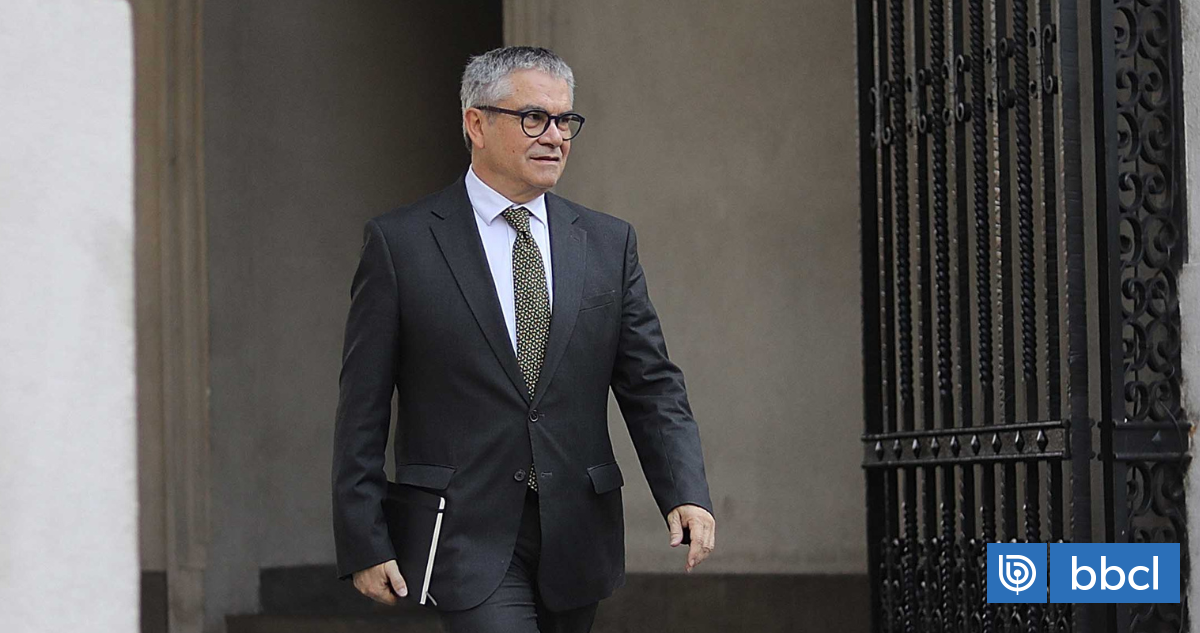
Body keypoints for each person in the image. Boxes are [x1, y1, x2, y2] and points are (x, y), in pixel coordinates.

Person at [331, 45, 715, 633]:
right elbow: (363, 404)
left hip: (578, 530)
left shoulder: (608, 243)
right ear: (476, 124)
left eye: (565, 120)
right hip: (463, 531)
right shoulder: (401, 244)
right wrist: (364, 535)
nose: (555, 137)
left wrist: (685, 490)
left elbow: (651, 383)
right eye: (534, 118)